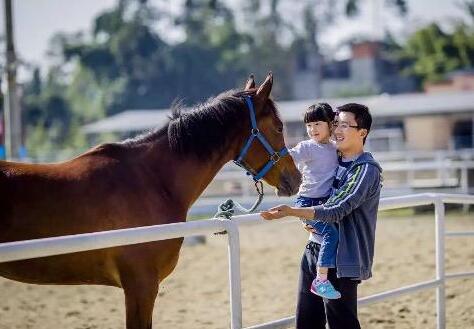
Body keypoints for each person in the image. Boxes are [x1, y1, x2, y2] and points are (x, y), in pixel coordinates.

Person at [261, 103, 383, 329]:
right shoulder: (331, 155)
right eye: (336, 123)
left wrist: (292, 212)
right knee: (306, 321)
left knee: (342, 323)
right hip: (313, 250)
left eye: (345, 125)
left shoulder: (365, 169)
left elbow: (337, 209)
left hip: (342, 258)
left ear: (362, 132)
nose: (337, 129)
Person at [289, 103, 340, 300]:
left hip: (325, 204)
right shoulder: (307, 147)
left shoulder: (336, 148)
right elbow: (287, 158)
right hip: (307, 203)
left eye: (317, 124)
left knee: (332, 234)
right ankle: (320, 280)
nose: (312, 129)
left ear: (330, 124)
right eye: (308, 125)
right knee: (330, 234)